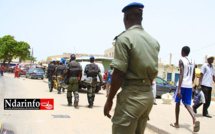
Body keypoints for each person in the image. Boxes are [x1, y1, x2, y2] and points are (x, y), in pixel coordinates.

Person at [103, 2, 160, 134]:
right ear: (141, 18)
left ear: (126, 17)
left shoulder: (124, 38)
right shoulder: (153, 41)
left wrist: (109, 100)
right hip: (148, 96)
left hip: (132, 97)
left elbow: (118, 73)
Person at [170, 46, 200, 132]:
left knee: (177, 102)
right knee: (187, 104)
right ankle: (194, 119)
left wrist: (179, 89)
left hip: (182, 84)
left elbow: (181, 74)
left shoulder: (181, 60)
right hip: (189, 85)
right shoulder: (193, 61)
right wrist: (192, 84)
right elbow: (193, 74)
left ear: (183, 52)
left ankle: (176, 123)